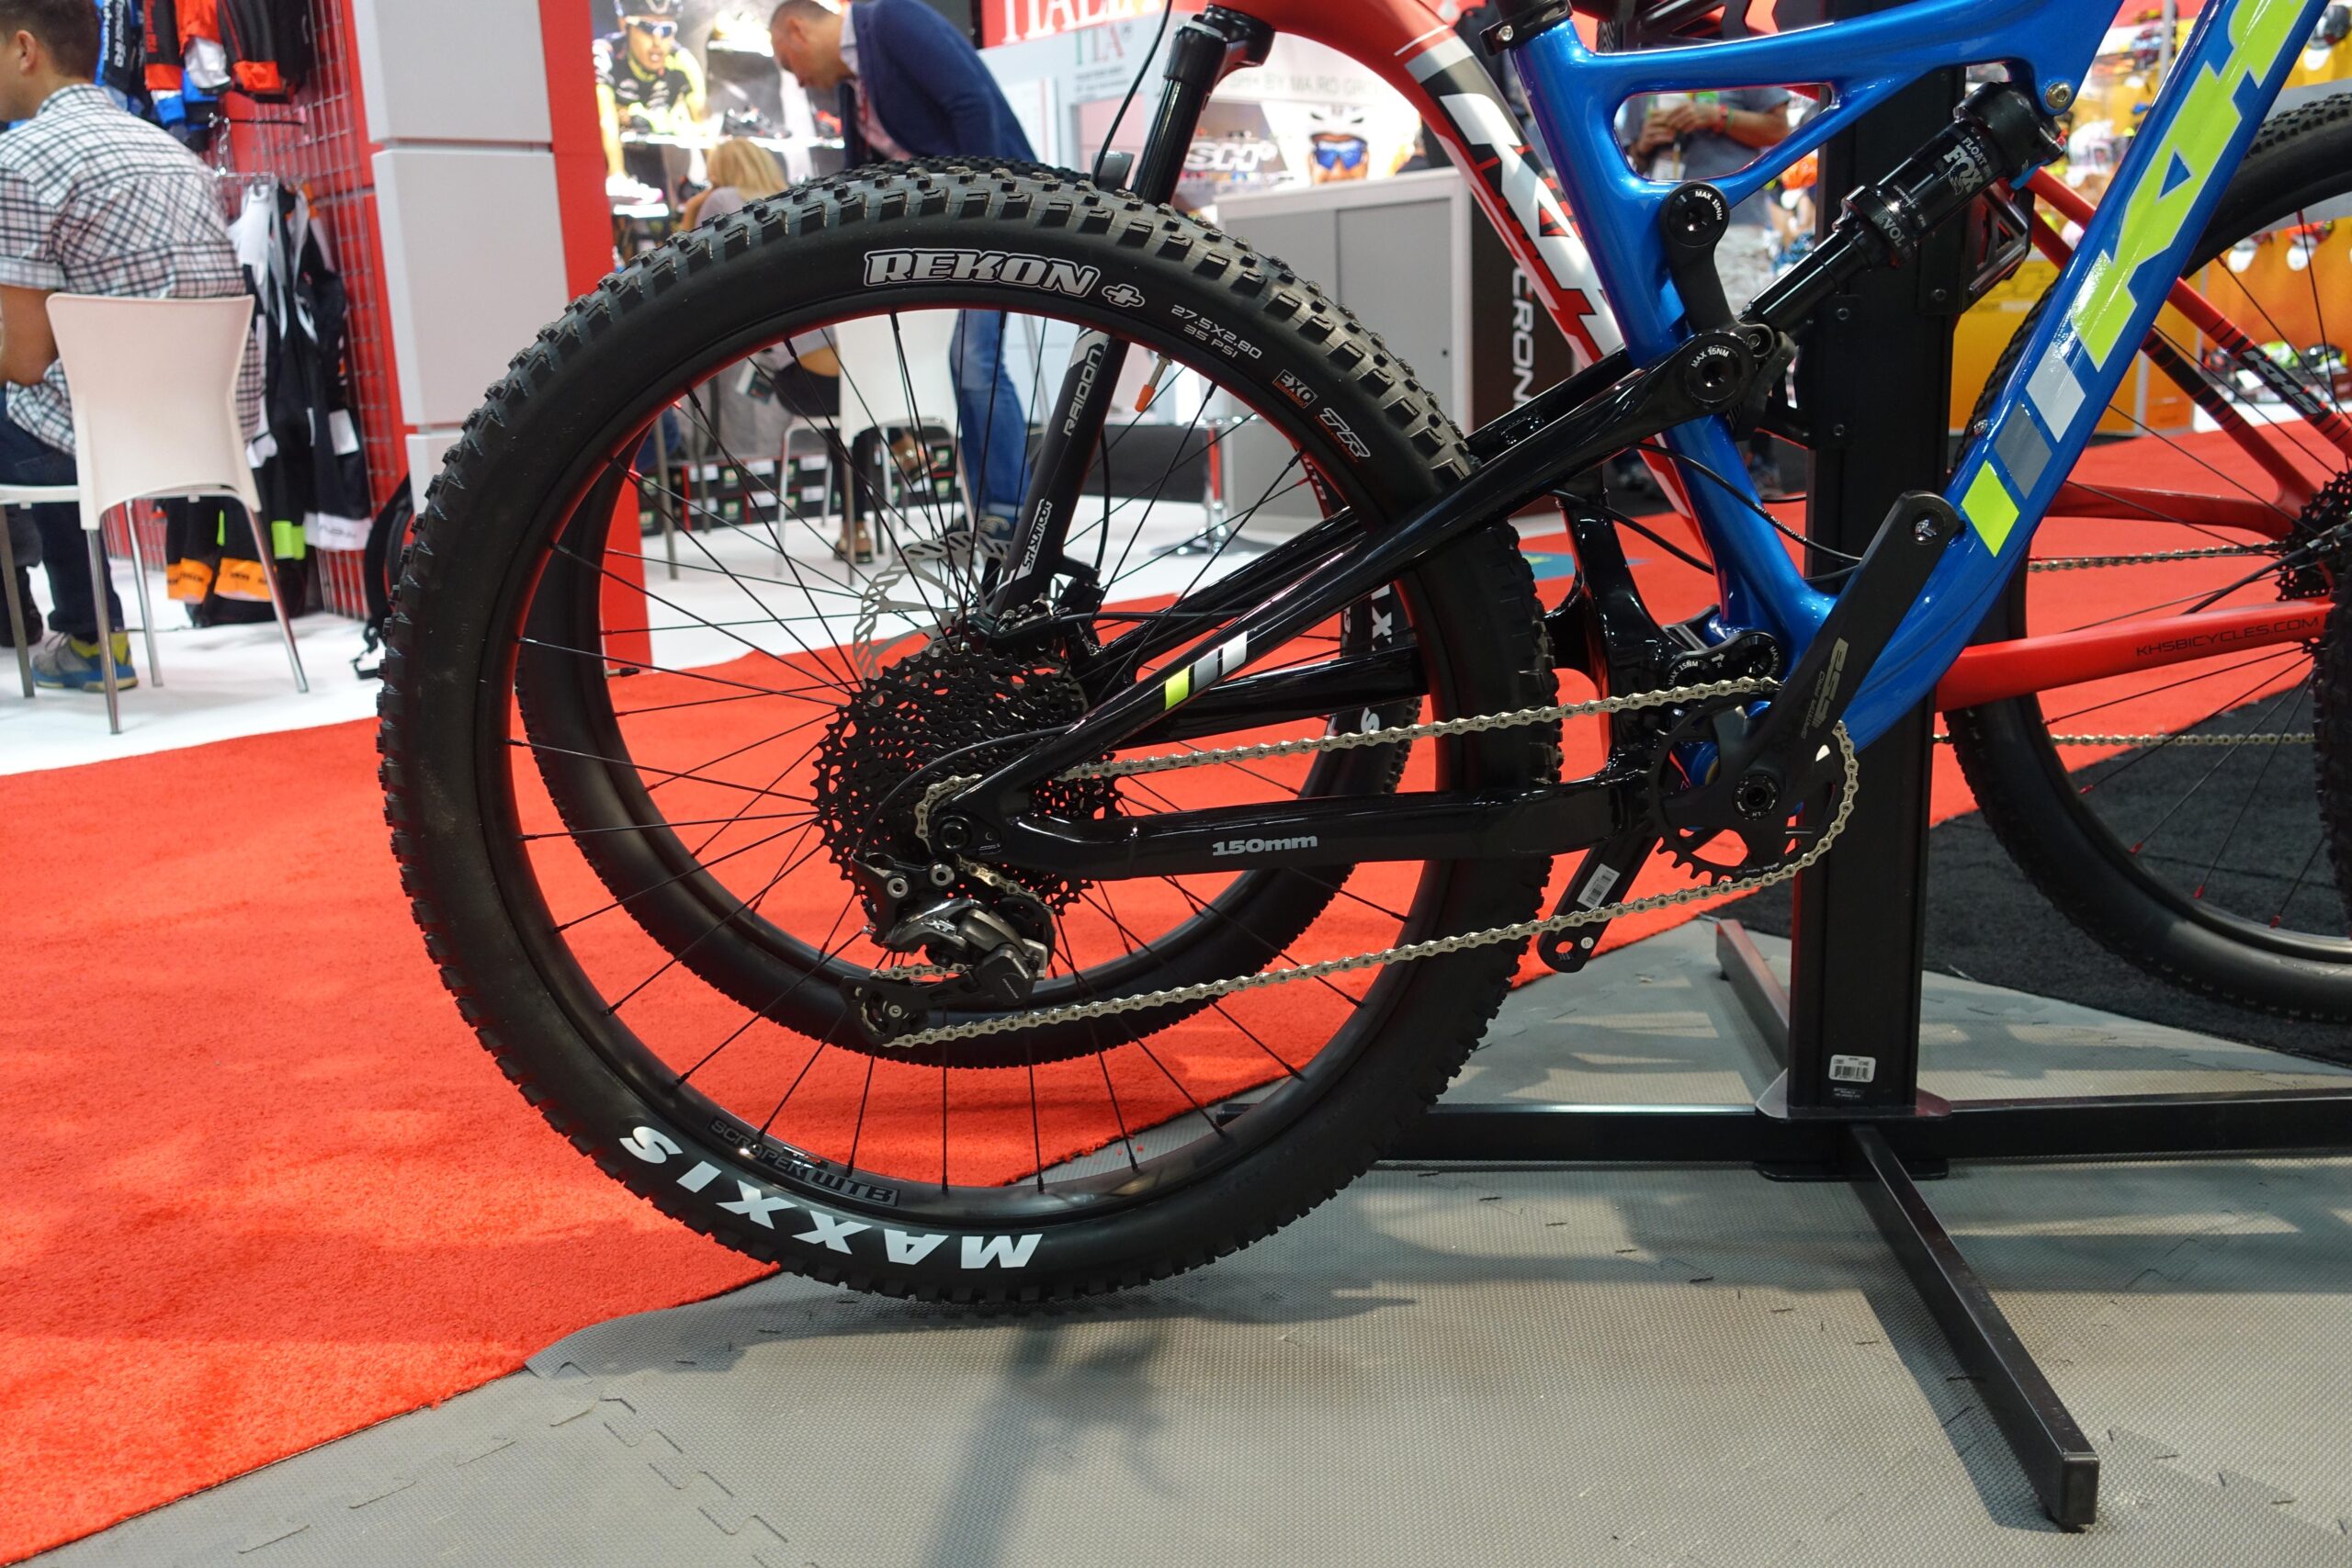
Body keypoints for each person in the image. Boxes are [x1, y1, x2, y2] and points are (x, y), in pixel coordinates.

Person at [0, 0, 262, 691]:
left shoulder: (19, 156)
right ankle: (75, 626)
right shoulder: (169, 148)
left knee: (28, 403)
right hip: (211, 427)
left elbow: (25, 362)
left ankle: (84, 635)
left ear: (25, 49)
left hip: (104, 430)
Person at [770, 0, 1035, 554]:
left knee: (976, 364)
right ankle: (992, 515)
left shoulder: (886, 16)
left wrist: (987, 208)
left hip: (995, 216)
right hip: (951, 236)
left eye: (785, 61)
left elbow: (971, 101)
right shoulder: (852, 87)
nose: (795, 79)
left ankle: (1008, 515)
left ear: (797, 28)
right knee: (963, 366)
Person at [1618, 87, 1793, 311]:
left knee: (1733, 323)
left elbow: (1779, 128)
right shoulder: (1643, 62)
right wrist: (1643, 145)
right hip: (1659, 228)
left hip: (1731, 226)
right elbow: (1630, 163)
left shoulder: (1735, 54)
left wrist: (1720, 117)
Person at [597, 0, 707, 197]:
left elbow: (704, 128)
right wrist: (616, 173)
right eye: (647, 28)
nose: (657, 42)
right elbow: (605, 118)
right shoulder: (606, 54)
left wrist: (717, 185)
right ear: (625, 25)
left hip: (657, 158)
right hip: (608, 156)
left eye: (666, 30)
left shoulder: (682, 60)